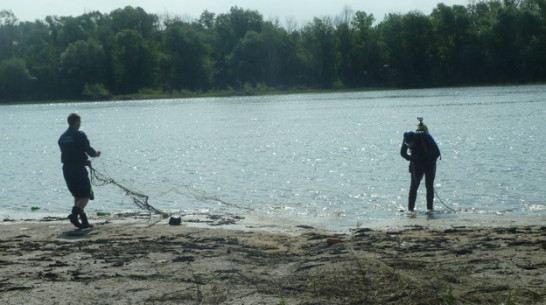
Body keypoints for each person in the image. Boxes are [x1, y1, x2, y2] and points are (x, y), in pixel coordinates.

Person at [58, 113, 101, 228]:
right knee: (86, 195)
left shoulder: (62, 137)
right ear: (76, 122)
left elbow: (71, 153)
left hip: (67, 169)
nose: (80, 124)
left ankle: (84, 222)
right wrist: (95, 154)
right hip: (78, 169)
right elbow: (87, 149)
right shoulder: (79, 135)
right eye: (79, 122)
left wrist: (83, 161)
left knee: (77, 195)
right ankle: (74, 214)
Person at [400, 118, 441, 213]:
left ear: (415, 138)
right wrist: (412, 159)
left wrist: (426, 160)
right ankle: (410, 210)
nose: (410, 145)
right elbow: (403, 153)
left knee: (429, 185)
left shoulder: (426, 137)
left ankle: (429, 209)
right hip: (416, 163)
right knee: (413, 186)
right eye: (408, 144)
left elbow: (437, 153)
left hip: (429, 163)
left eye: (411, 143)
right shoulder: (406, 138)